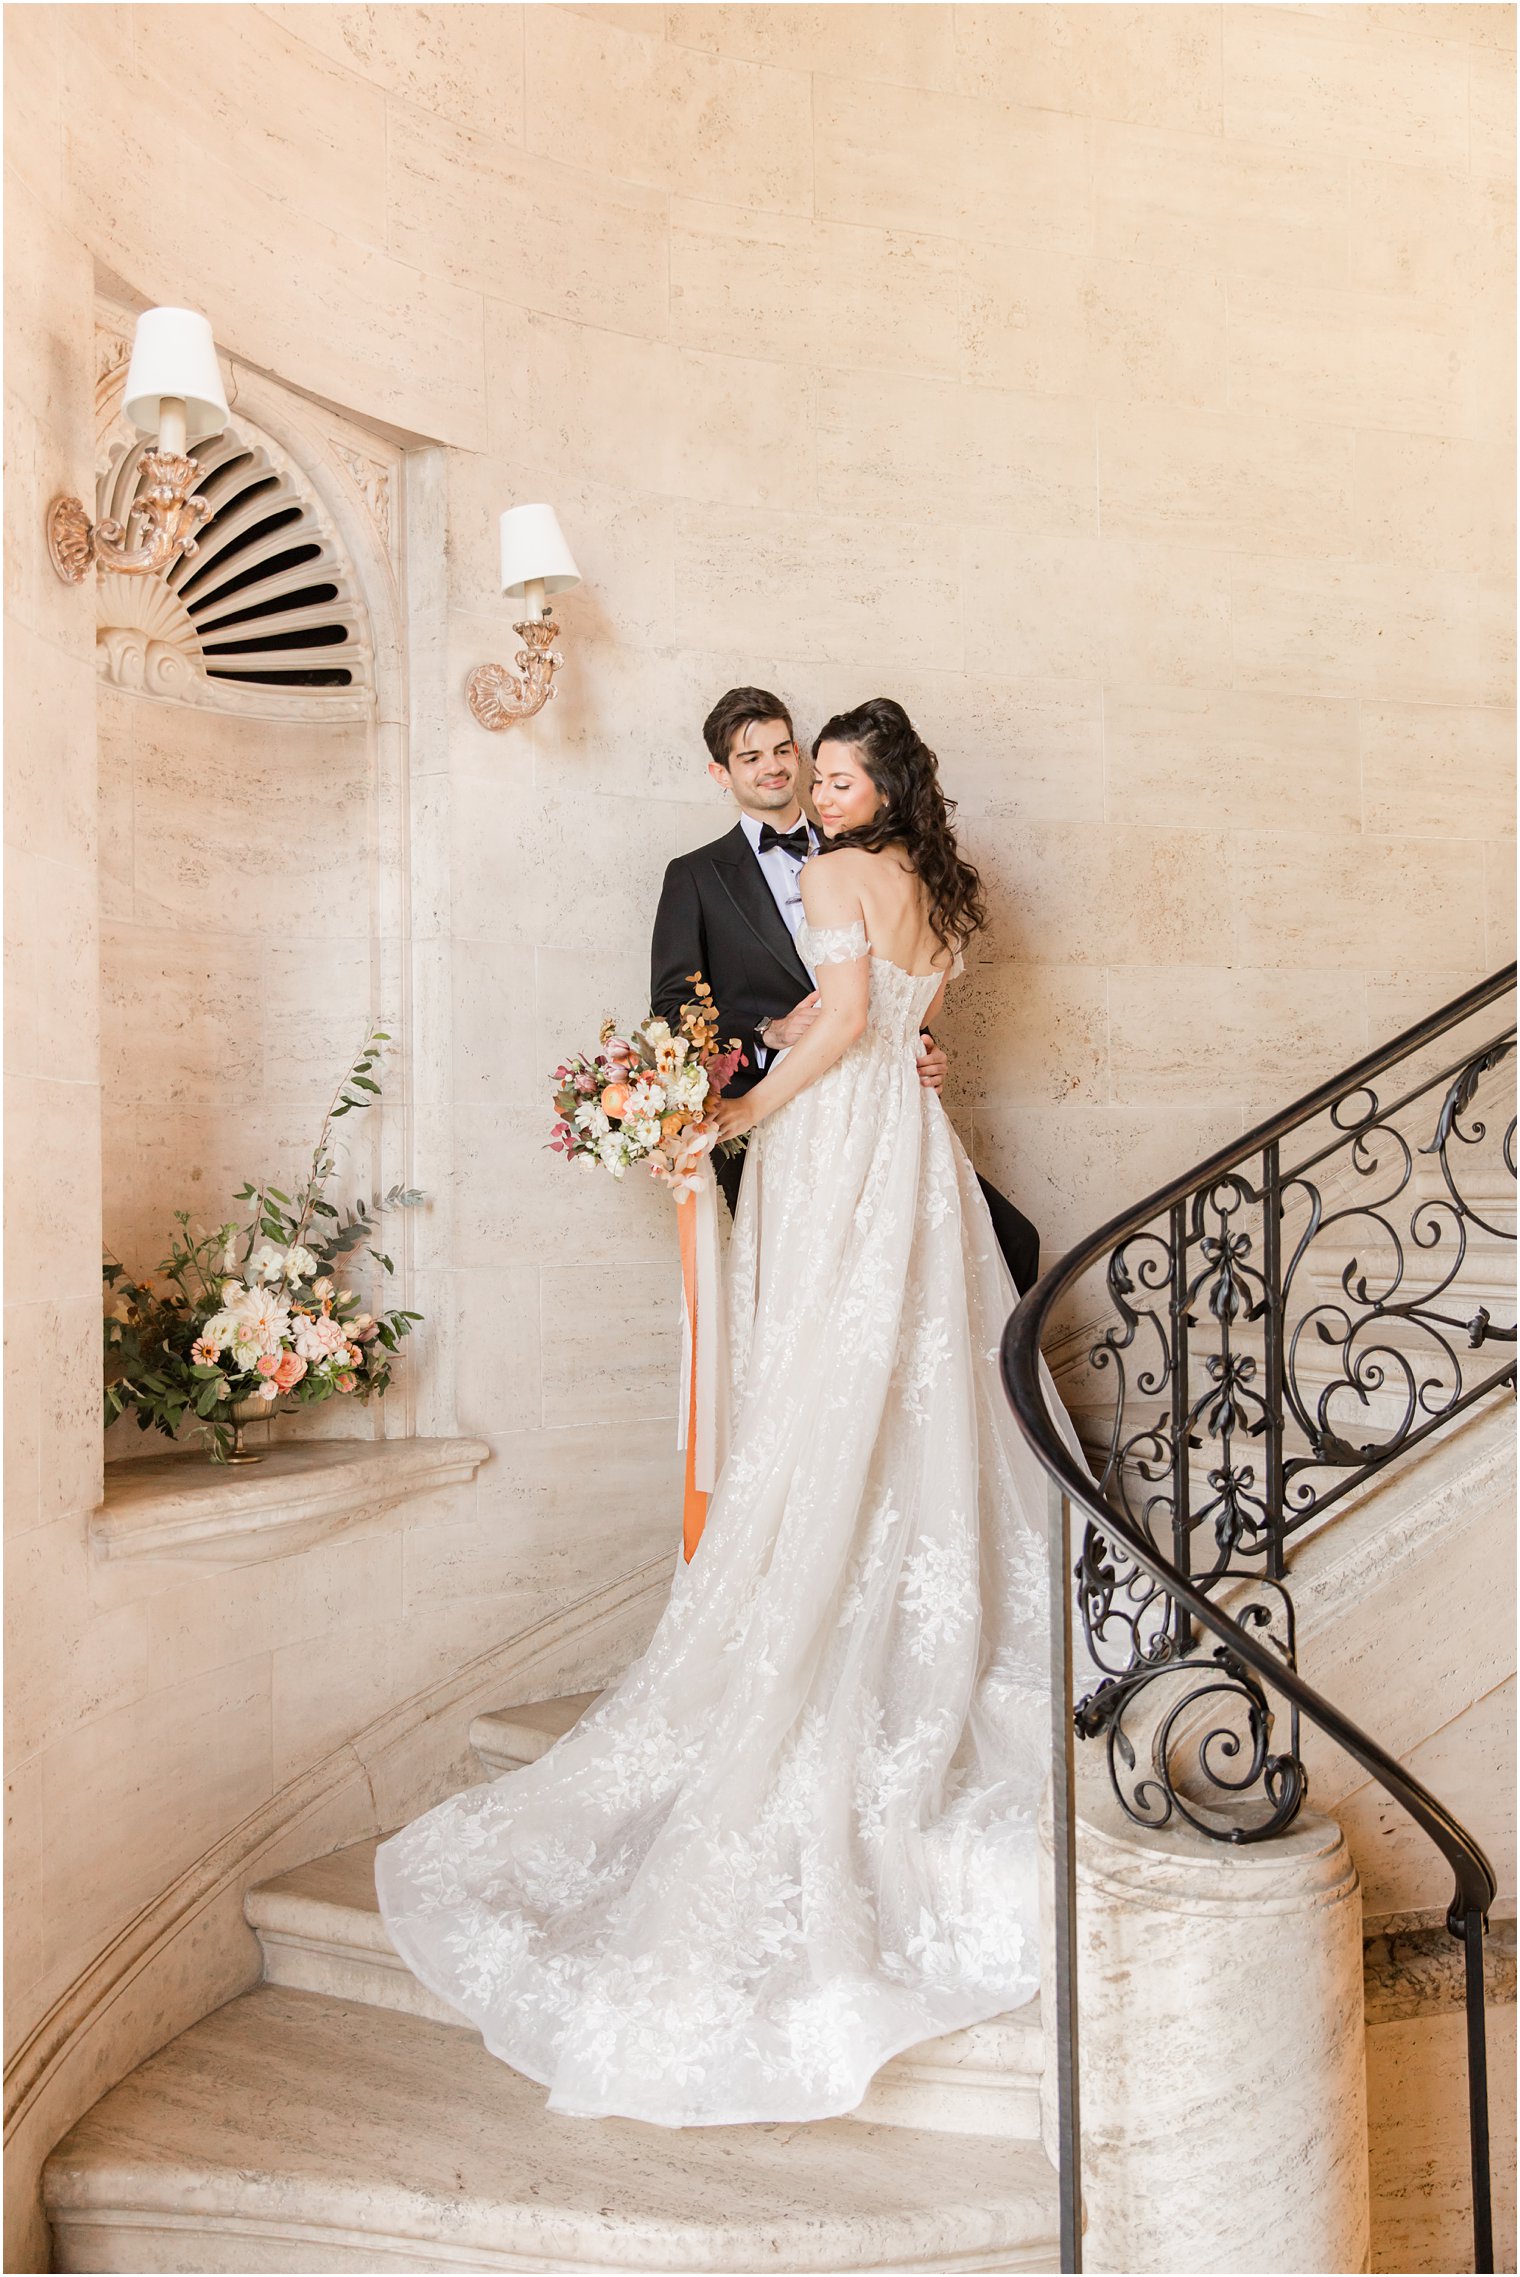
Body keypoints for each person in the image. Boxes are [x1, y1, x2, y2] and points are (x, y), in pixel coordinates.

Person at [375, 697, 1081, 2128]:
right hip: (915, 1154)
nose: (815, 790)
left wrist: (734, 1120)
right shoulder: (943, 890)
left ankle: (821, 1600)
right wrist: (796, 1062)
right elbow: (892, 1016)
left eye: (835, 772)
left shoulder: (829, 873)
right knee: (905, 1374)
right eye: (804, 771)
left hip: (835, 1149)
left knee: (831, 1373)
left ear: (881, 786)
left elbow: (847, 1024)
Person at [649, 686, 1040, 1292]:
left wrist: (919, 1043)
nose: (775, 766)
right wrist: (764, 1035)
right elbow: (674, 1010)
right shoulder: (695, 876)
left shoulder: (855, 849)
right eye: (751, 757)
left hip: (877, 1101)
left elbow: (881, 997)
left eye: (783, 749)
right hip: (775, 1107)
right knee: (821, 1291)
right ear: (719, 773)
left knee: (995, 1249)